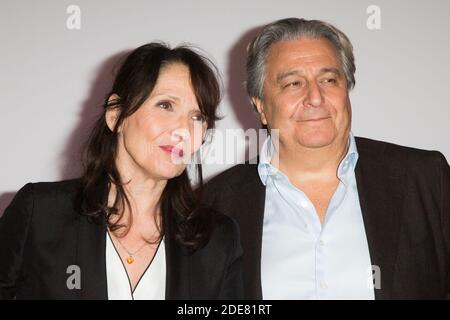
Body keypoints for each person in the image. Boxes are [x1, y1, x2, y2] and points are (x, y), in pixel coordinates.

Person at [204, 18, 450, 299]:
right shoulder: (216, 204)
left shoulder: (426, 179)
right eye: (293, 83)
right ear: (260, 106)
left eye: (329, 80)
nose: (315, 97)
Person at [0, 43, 243, 300]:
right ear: (116, 115)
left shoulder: (217, 239)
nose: (183, 130)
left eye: (197, 117)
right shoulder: (41, 213)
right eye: (165, 105)